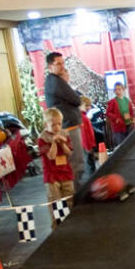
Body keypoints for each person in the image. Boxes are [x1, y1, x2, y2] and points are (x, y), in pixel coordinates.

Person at [42, 52, 86, 184]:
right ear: (50, 66)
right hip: (68, 125)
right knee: (76, 161)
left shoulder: (56, 81)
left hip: (68, 123)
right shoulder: (55, 82)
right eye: (58, 63)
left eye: (63, 63)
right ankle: (74, 195)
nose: (62, 66)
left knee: (75, 160)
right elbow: (76, 100)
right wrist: (77, 99)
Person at [38, 108, 75, 229]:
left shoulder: (64, 134)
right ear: (45, 124)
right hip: (52, 176)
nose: (57, 127)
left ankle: (70, 226)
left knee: (69, 200)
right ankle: (57, 228)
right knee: (56, 203)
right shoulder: (42, 138)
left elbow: (69, 153)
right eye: (53, 124)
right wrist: (54, 143)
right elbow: (51, 156)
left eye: (59, 124)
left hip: (65, 172)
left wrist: (62, 143)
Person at [106, 83, 135, 148]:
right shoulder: (112, 101)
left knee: (131, 144)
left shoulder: (127, 100)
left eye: (119, 89)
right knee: (121, 146)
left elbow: (131, 113)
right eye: (116, 90)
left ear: (123, 90)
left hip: (129, 125)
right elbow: (108, 113)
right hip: (119, 126)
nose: (117, 91)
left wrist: (132, 120)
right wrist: (116, 118)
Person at [79, 96, 97, 170]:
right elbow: (85, 135)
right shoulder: (84, 118)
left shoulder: (82, 117)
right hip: (87, 146)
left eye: (89, 105)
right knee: (90, 167)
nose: (89, 107)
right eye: (86, 105)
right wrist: (89, 147)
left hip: (87, 146)